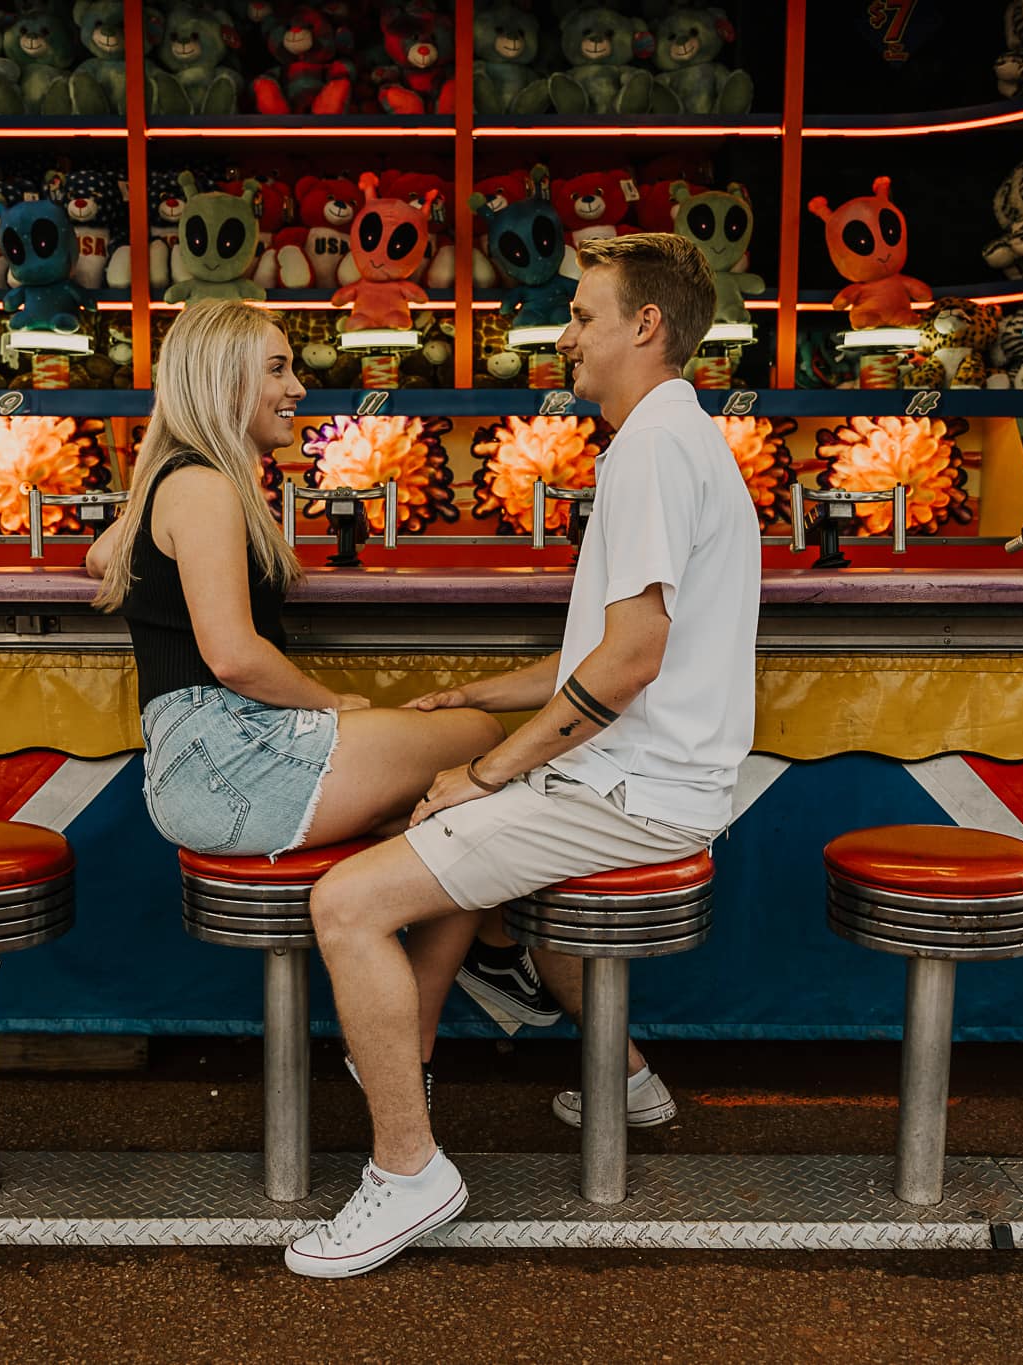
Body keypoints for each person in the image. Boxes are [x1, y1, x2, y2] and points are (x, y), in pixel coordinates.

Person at [286, 233, 762, 1278]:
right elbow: (611, 645)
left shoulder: (646, 448)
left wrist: (489, 768)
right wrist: (481, 696)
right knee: (464, 860)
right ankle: (624, 1081)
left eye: (585, 317)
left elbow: (629, 663)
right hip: (662, 778)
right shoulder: (682, 440)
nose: (566, 339)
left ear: (646, 326)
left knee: (347, 901)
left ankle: (406, 1168)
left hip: (632, 790)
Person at [86, 299, 503, 896]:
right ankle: (479, 951)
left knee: (440, 819)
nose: (298, 388)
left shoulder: (180, 481)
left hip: (199, 762)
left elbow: (102, 555)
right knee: (481, 738)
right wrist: (335, 705)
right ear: (222, 380)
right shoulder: (203, 488)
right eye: (277, 369)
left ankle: (462, 957)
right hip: (224, 757)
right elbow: (233, 657)